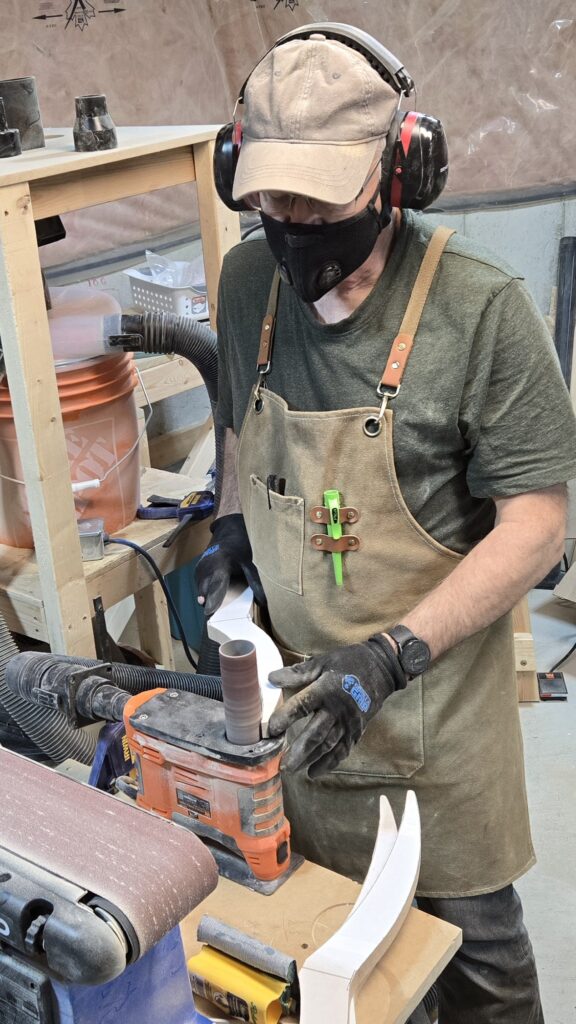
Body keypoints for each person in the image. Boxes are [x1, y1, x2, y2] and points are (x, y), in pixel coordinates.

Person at [195, 23, 576, 1023]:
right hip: (301, 707)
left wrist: (393, 655)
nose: (294, 224)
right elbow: (244, 422)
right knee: (324, 952)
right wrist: (232, 527)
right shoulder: (248, 287)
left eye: (323, 198)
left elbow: (539, 526)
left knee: (479, 965)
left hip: (434, 720)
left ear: (402, 168)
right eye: (272, 197)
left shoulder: (483, 310)